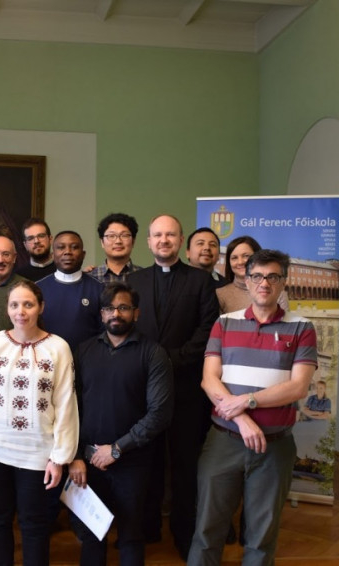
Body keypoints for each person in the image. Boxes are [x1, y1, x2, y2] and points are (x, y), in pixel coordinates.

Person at [188, 249, 317, 566]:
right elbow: (209, 380)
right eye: (257, 276)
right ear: (246, 281)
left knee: (262, 536)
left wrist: (247, 401)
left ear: (283, 282)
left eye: (273, 277)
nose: (264, 283)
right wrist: (243, 420)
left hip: (274, 446)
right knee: (207, 529)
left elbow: (298, 387)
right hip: (224, 441)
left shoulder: (302, 327)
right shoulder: (224, 323)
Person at [0, 280, 79, 566]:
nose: (20, 311)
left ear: (41, 307)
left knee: (34, 523)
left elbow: (65, 403)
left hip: (37, 453)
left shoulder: (58, 347)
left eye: (28, 304)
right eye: (14, 305)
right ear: (7, 309)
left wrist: (59, 457)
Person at [126, 214, 219, 559]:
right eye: (157, 235)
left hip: (186, 387)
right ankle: (146, 527)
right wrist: (150, 364)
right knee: (145, 460)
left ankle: (184, 532)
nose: (163, 240)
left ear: (181, 241)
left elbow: (208, 329)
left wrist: (173, 359)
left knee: (185, 463)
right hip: (142, 388)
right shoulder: (134, 280)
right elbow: (127, 327)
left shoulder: (201, 281)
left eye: (170, 235)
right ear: (149, 242)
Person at [68, 282, 174, 566]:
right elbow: (70, 407)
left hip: (133, 462)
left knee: (131, 535)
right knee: (91, 534)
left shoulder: (153, 353)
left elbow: (160, 413)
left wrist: (116, 449)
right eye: (109, 308)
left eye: (124, 307)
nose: (116, 314)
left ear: (136, 313)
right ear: (101, 314)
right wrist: (76, 455)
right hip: (89, 460)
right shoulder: (84, 351)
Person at [36, 231, 104, 350]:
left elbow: (104, 333)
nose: (67, 252)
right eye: (61, 247)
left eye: (74, 247)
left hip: (87, 358)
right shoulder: (37, 289)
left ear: (83, 254)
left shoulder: (99, 288)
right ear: (53, 255)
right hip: (46, 357)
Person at [217, 235, 289, 314]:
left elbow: (284, 321)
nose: (240, 262)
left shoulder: (277, 293)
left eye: (246, 256)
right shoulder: (220, 294)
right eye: (234, 258)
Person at [88, 213, 143, 283]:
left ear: (133, 241)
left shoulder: (145, 276)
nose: (118, 241)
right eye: (111, 236)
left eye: (124, 235)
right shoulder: (90, 278)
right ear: (102, 242)